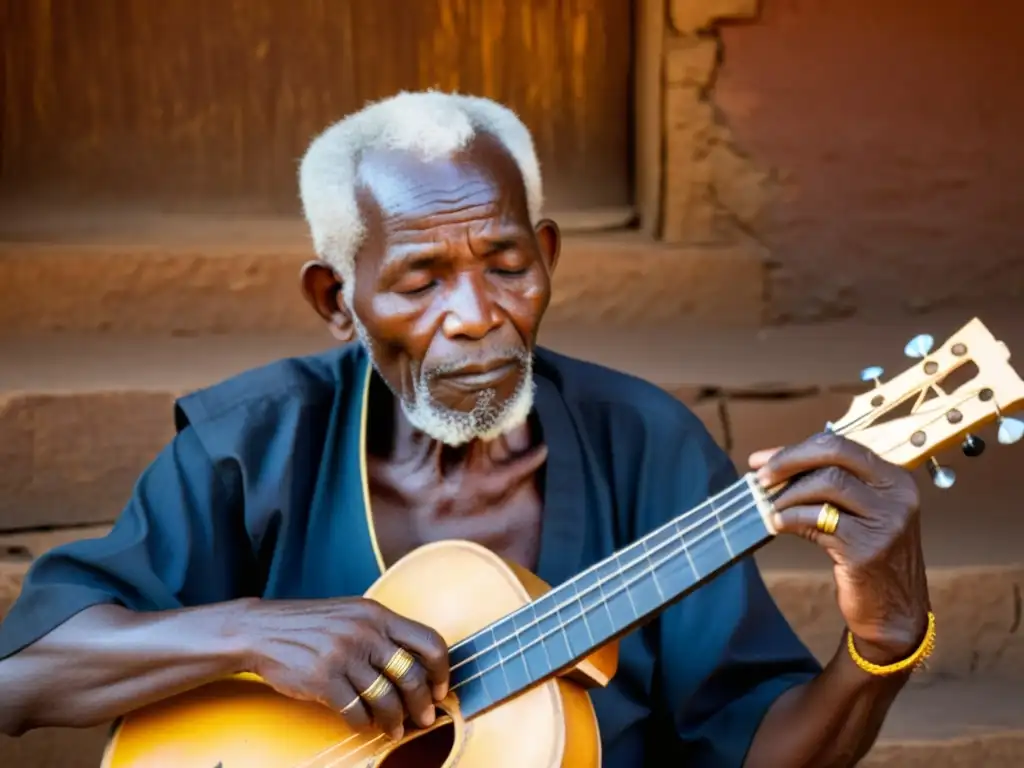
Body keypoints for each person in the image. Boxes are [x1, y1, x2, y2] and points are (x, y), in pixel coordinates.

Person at [0, 91, 933, 766]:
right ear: (337, 300)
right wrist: (248, 635)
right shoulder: (252, 446)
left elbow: (762, 752)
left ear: (549, 258)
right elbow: (23, 676)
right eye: (420, 280)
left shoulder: (647, 446)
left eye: (506, 263)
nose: (478, 314)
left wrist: (884, 641)